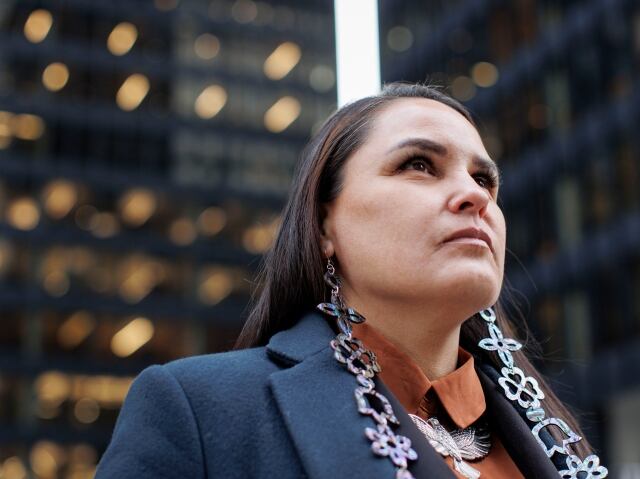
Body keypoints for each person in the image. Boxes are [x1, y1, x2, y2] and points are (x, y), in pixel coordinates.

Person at [95, 83, 608, 479]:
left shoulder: (551, 437)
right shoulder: (199, 409)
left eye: (484, 179)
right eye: (419, 165)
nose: (473, 196)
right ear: (324, 227)